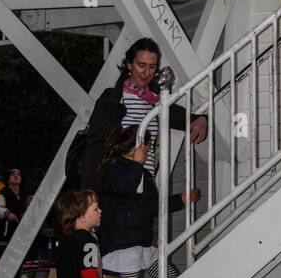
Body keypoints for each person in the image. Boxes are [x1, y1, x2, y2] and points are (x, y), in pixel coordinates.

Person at [97, 125, 199, 278]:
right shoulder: (112, 170)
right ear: (138, 146)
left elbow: (152, 205)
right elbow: (123, 189)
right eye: (148, 146)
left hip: (140, 243)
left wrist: (180, 200)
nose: (150, 150)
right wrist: (137, 164)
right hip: (123, 245)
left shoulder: (141, 172)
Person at [81, 39, 208, 196]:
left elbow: (183, 118)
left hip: (144, 184)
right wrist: (89, 192)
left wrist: (202, 119)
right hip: (116, 186)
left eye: (152, 67)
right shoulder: (111, 100)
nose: (146, 73)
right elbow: (94, 146)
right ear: (129, 64)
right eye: (141, 65)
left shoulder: (154, 101)